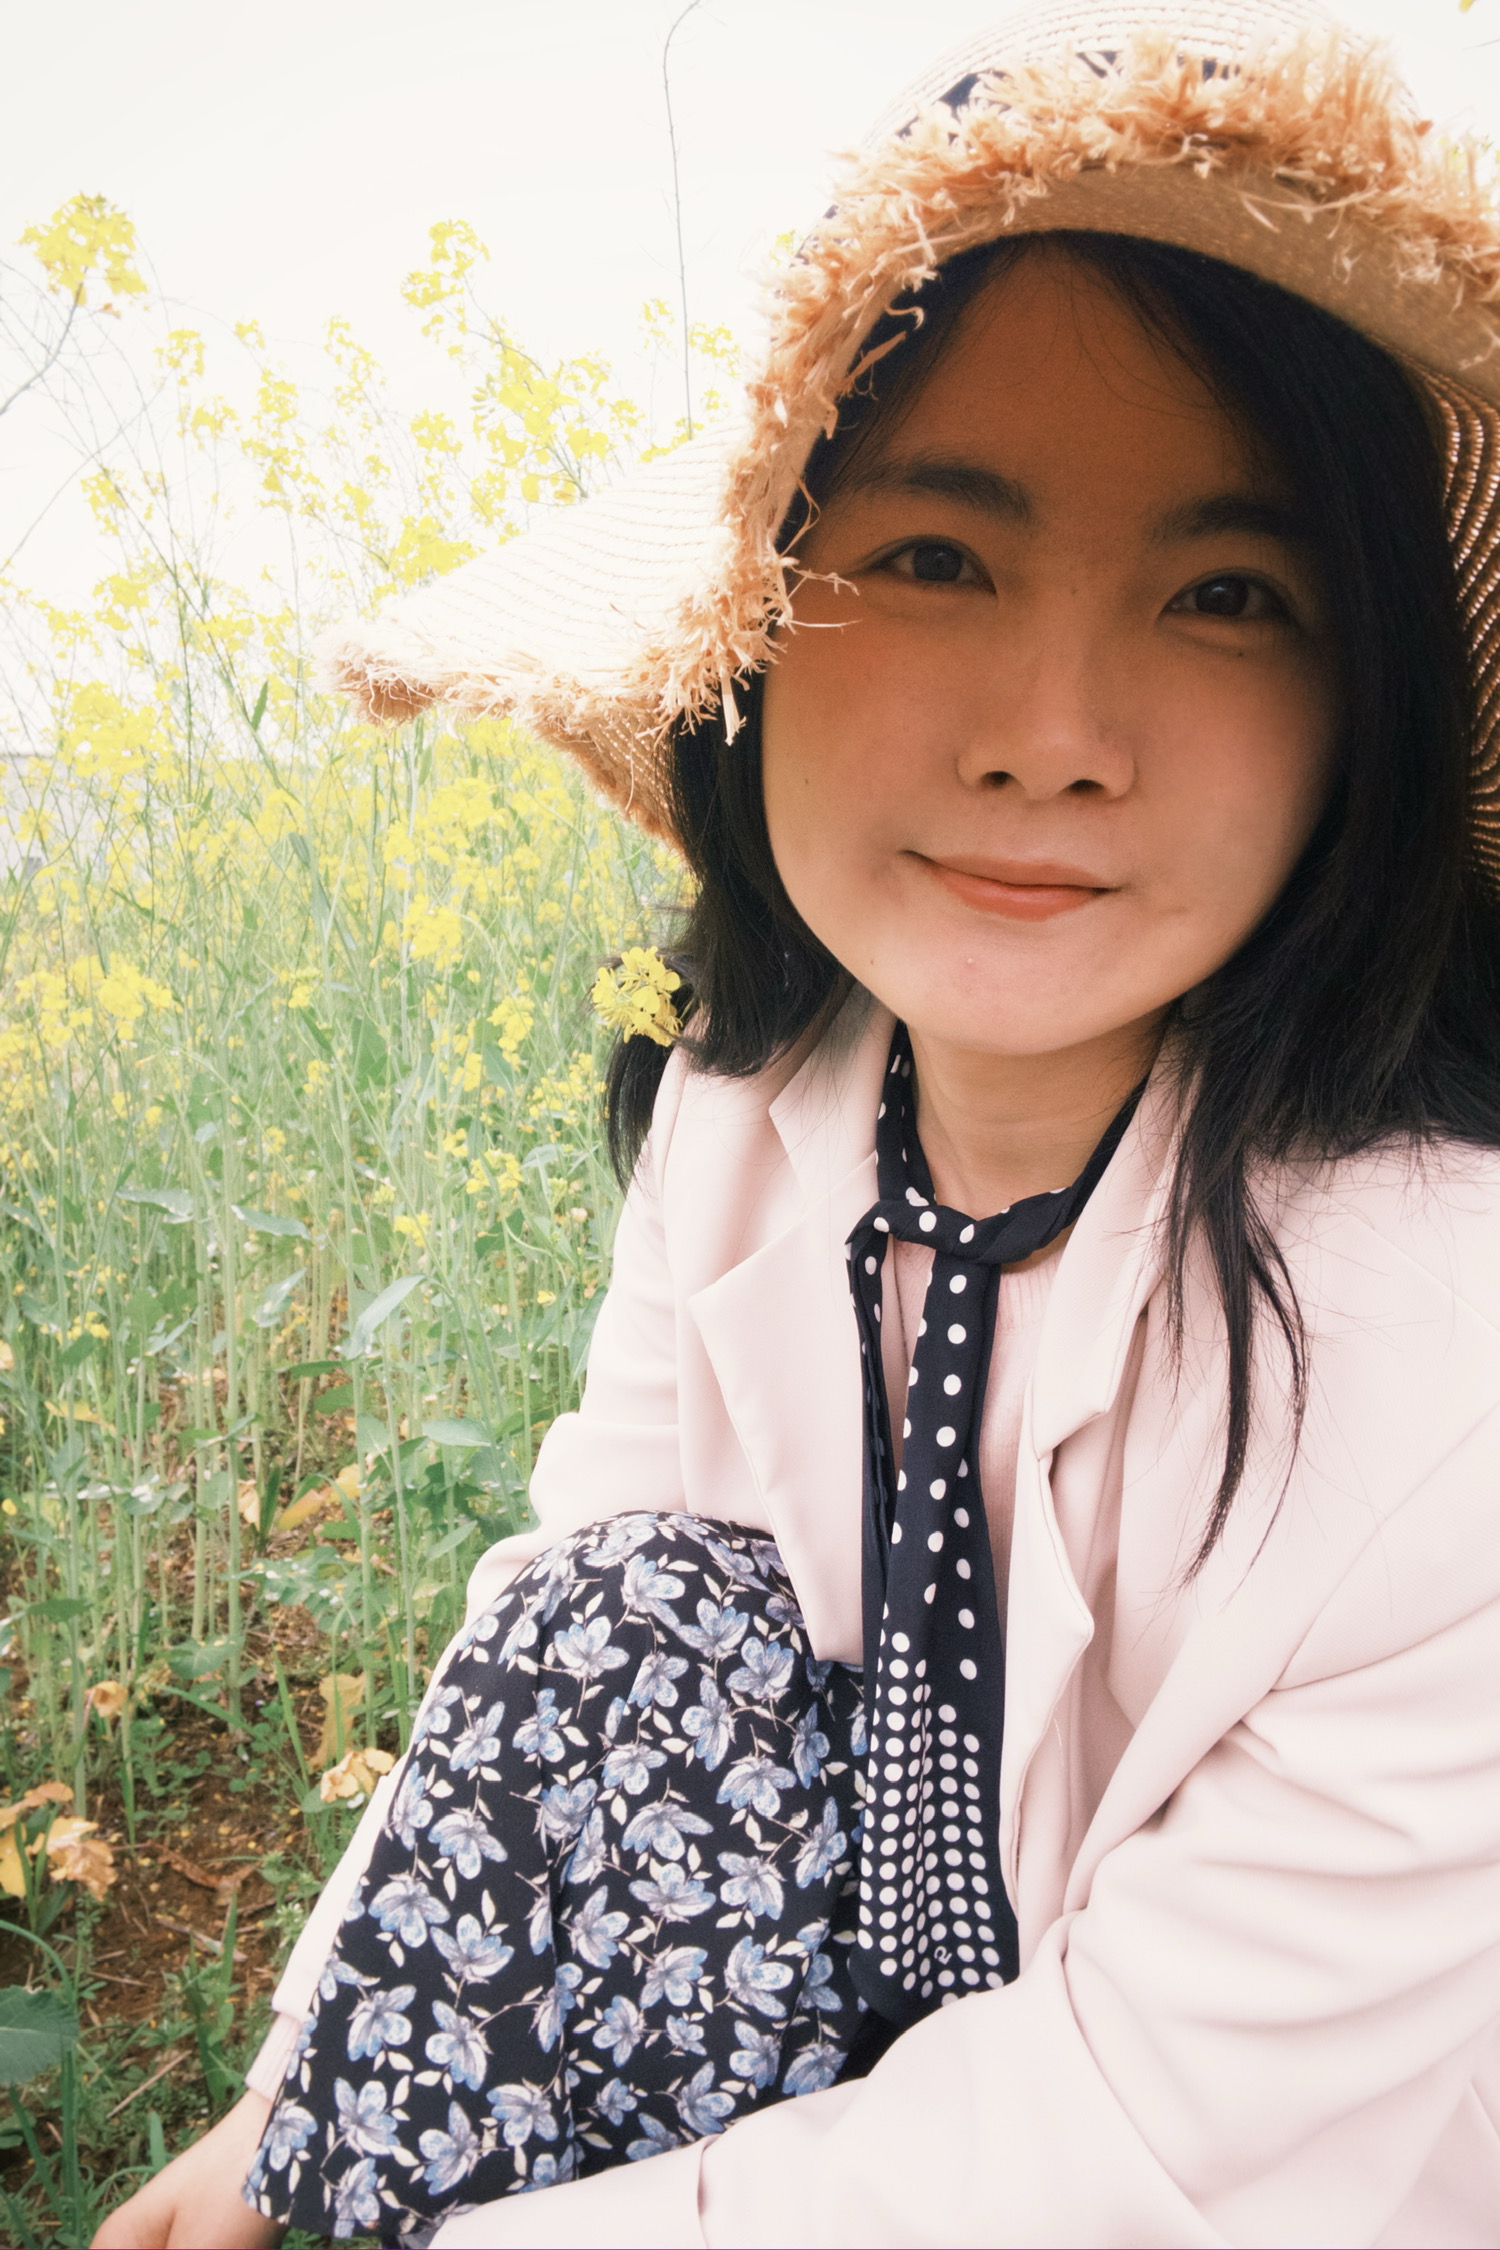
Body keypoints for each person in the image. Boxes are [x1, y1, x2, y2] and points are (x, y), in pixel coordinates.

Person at [97, 1, 1500, 2243]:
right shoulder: (754, 1109)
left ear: (1369, 718)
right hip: (826, 2052)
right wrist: (295, 2109)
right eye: (936, 556)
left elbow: (1133, 2150)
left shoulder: (1452, 1368)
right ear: (748, 638)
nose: (1055, 736)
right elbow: (561, 1649)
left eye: (1228, 597)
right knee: (618, 1611)